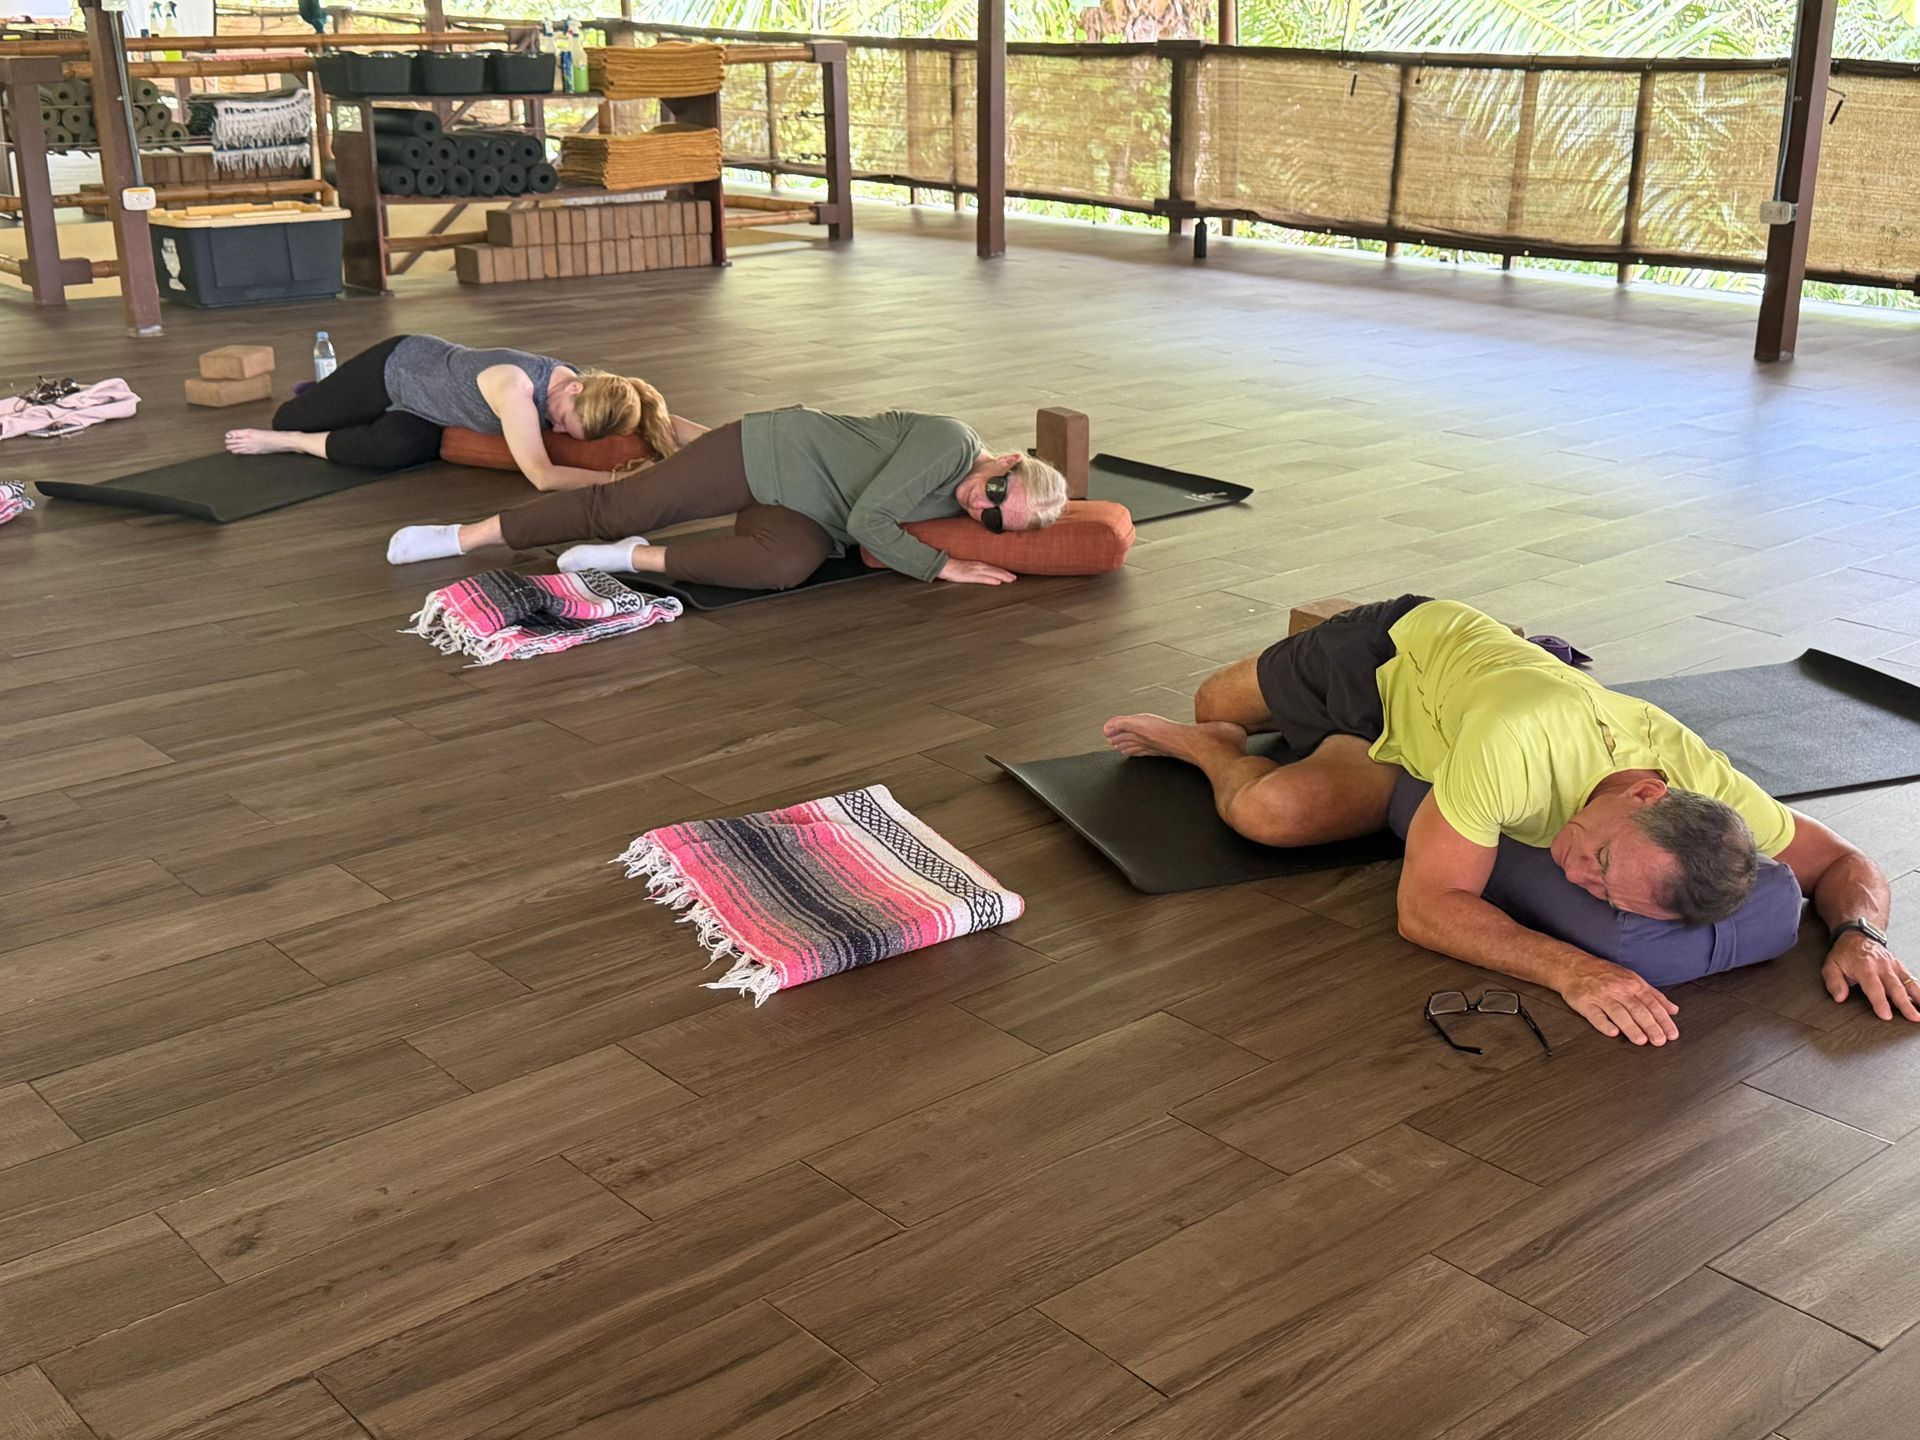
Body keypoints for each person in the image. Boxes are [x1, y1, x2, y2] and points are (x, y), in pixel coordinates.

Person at [1104, 596, 1912, 1047]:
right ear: (1643, 796)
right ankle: (1201, 745)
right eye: (1598, 861)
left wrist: (1862, 934)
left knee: (1268, 812)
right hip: (1389, 660)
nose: (1573, 876)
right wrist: (1572, 969)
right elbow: (1423, 909)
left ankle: (1243, 759)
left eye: (1603, 894)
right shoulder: (1514, 742)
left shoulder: (1704, 780)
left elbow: (1844, 864)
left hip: (1428, 747)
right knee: (1217, 709)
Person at [384, 405, 1071, 589]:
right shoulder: (952, 444)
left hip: (804, 517)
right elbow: (870, 521)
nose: (980, 505)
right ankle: (462, 537)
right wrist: (941, 567)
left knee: (782, 568)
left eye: (994, 520)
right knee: (619, 503)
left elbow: (859, 533)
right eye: (998, 489)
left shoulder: (965, 502)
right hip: (765, 453)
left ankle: (633, 560)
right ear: (1009, 457)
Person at [223, 334, 688, 491]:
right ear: (574, 386)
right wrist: (619, 482)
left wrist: (732, 436)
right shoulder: (516, 387)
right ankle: (308, 410)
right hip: (396, 369)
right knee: (288, 417)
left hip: (428, 413)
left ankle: (293, 446)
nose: (559, 427)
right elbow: (542, 477)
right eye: (564, 419)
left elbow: (659, 415)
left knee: (389, 450)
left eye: (568, 430)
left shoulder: (601, 393)